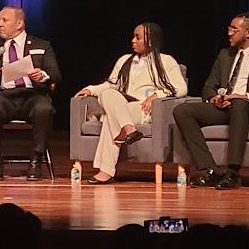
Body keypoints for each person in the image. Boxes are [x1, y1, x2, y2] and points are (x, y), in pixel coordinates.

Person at [173, 11, 249, 189]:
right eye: (229, 28)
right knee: (182, 110)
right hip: (223, 108)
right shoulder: (224, 55)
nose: (229, 33)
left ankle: (233, 172)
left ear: (248, 32)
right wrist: (214, 98)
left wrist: (245, 96)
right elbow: (208, 86)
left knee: (239, 104)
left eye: (234, 29)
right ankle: (209, 169)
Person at [75, 22, 188, 184]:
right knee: (108, 94)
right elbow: (111, 85)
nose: (133, 41)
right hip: (123, 105)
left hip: (143, 108)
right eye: (133, 37)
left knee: (109, 118)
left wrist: (157, 94)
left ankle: (106, 171)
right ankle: (128, 129)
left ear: (150, 40)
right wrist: (91, 90)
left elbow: (181, 88)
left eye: (138, 37)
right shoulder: (124, 60)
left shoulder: (166, 60)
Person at [0, 6, 61, 180]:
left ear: (19, 24)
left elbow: (56, 74)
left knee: (44, 109)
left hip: (32, 95)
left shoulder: (42, 45)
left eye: (5, 20)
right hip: (3, 96)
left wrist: (42, 75)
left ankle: (36, 158)